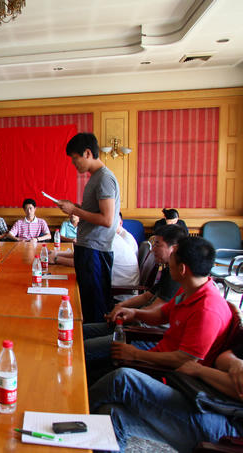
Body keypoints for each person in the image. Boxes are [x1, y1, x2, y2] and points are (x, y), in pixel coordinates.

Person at [89, 344, 243, 452]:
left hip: (230, 429)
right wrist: (236, 362)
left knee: (123, 379)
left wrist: (199, 370)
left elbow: (238, 389)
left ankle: (74, 417)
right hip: (208, 399)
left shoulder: (209, 310)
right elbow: (224, 357)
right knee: (111, 414)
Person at [108, 236, 232, 370]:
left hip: (168, 373)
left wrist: (135, 354)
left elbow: (184, 360)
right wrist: (134, 313)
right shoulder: (188, 289)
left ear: (182, 269)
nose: (168, 261)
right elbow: (162, 315)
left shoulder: (207, 310)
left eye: (172, 255)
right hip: (156, 354)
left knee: (118, 375)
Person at [82, 225, 188, 366]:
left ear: (173, 248)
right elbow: (147, 296)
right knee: (80, 331)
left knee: (84, 348)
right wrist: (120, 307)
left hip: (144, 333)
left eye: (157, 244)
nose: (153, 249)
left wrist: (130, 314)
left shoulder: (176, 277)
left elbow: (156, 311)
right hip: (135, 322)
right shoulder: (169, 271)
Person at [57, 133, 120, 324]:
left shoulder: (104, 178)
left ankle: (94, 342)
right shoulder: (96, 177)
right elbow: (95, 212)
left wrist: (74, 210)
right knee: (86, 303)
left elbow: (107, 219)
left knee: (94, 307)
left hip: (95, 250)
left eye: (75, 158)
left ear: (87, 153)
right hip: (89, 248)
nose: (73, 163)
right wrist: (75, 207)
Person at [49, 215, 139, 288]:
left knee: (71, 287)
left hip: (119, 292)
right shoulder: (107, 236)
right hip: (109, 284)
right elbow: (83, 255)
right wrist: (57, 254)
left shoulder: (106, 240)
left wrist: (56, 259)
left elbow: (83, 263)